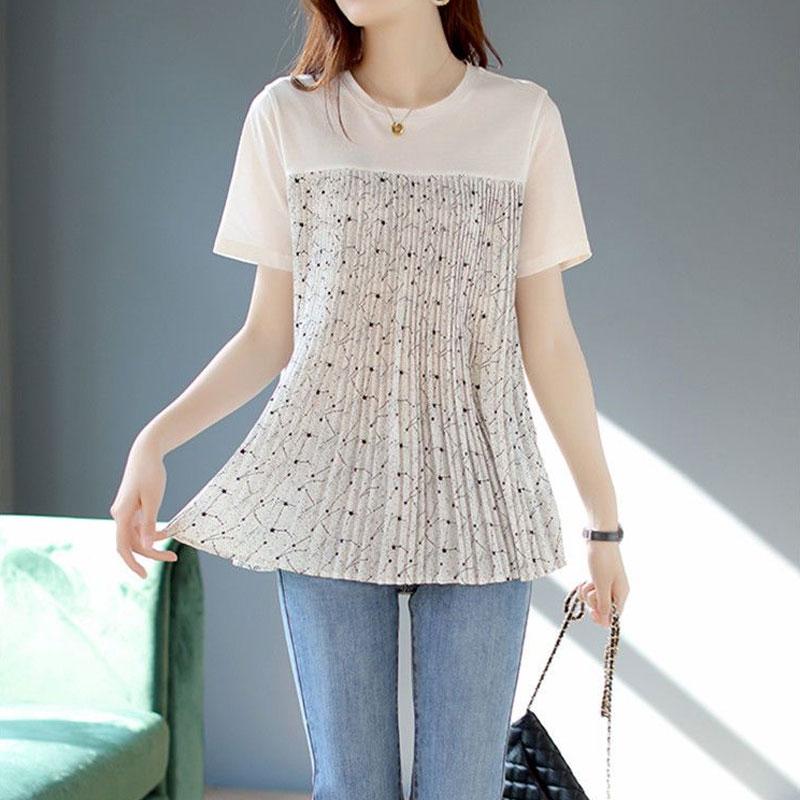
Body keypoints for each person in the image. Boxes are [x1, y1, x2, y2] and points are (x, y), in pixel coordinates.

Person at [110, 1, 630, 797]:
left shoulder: (522, 119)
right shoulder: (287, 115)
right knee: (351, 787)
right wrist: (154, 440)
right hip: (329, 491)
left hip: (482, 496)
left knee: (462, 790)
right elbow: (269, 335)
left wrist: (604, 525)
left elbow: (550, 342)